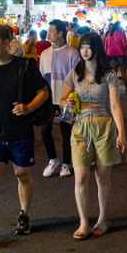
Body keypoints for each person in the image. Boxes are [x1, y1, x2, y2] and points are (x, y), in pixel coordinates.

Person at [0, 25, 49, 246]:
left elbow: (43, 92)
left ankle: (24, 214)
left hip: (20, 133)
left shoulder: (25, 66)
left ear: (7, 42)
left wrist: (28, 108)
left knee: (22, 175)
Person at [60, 32, 126, 239]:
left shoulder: (109, 75)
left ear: (97, 48)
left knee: (102, 177)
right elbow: (62, 100)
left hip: (104, 127)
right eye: (82, 47)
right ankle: (83, 222)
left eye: (88, 47)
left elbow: (115, 105)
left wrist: (121, 133)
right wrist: (67, 103)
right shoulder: (73, 74)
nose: (85, 50)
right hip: (79, 128)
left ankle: (102, 218)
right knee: (80, 178)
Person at [38, 20, 80, 178]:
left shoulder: (72, 53)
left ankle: (66, 163)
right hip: (48, 100)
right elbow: (42, 78)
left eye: (51, 31)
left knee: (66, 131)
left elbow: (77, 78)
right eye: (48, 31)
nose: (48, 33)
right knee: (44, 129)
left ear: (61, 33)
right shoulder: (44, 54)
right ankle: (52, 159)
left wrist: (74, 98)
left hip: (68, 100)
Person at [104, 22, 127, 92]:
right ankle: (126, 87)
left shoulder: (109, 34)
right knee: (123, 71)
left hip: (111, 54)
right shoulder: (121, 33)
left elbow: (106, 46)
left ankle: (111, 86)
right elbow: (124, 44)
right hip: (121, 54)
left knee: (113, 72)